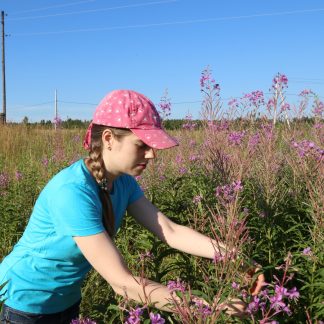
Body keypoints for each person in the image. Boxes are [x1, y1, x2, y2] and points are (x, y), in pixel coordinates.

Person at [0, 90, 264, 323]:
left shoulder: (122, 182)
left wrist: (240, 260)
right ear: (108, 138)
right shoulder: (72, 192)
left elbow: (171, 232)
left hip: (65, 299)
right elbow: (122, 283)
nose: (151, 154)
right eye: (142, 145)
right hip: (24, 302)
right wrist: (209, 307)